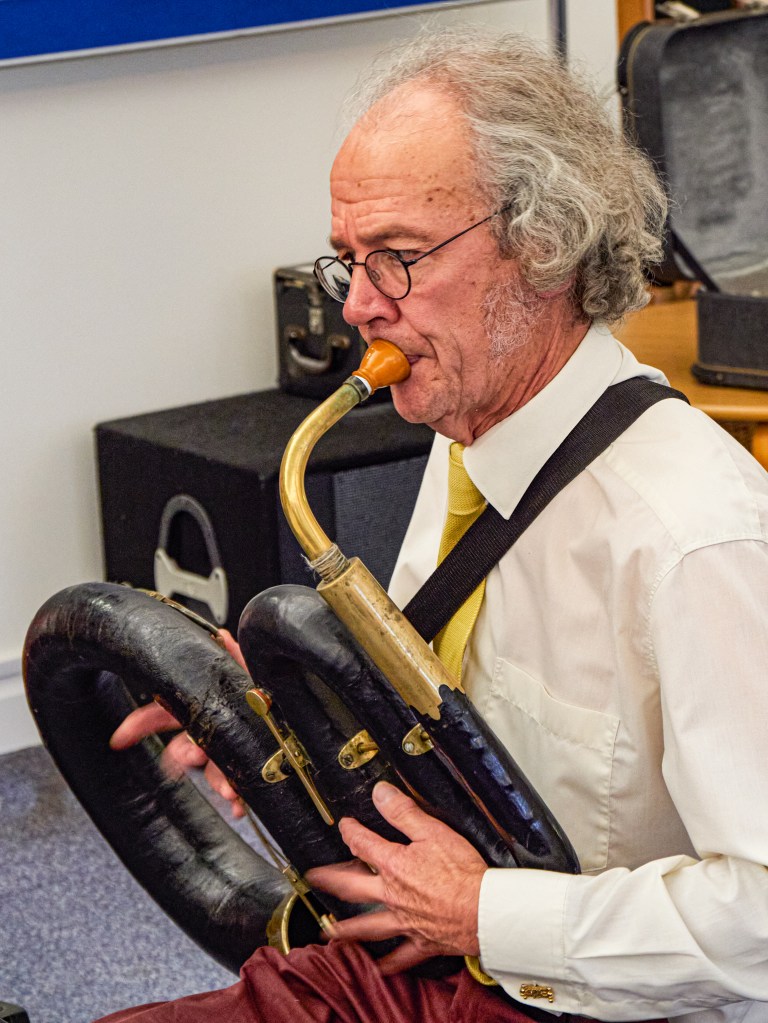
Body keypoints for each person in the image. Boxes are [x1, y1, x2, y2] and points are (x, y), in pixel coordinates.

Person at [100, 28, 768, 1023]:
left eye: (399, 259)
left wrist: (484, 912)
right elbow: (450, 725)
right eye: (350, 264)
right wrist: (271, 710)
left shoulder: (696, 539)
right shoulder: (471, 428)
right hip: (440, 967)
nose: (360, 308)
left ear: (545, 247)